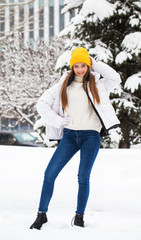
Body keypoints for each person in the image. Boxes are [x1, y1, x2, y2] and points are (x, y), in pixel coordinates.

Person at [30, 47, 121, 230]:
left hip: (91, 136)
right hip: (70, 136)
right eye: (76, 66)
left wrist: (95, 63)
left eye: (83, 65)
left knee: (83, 177)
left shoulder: (99, 84)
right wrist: (58, 121)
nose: (80, 69)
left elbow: (115, 78)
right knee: (49, 174)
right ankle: (41, 214)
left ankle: (79, 217)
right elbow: (42, 104)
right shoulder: (63, 85)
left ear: (88, 65)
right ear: (72, 67)